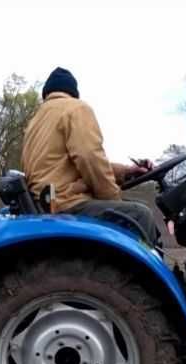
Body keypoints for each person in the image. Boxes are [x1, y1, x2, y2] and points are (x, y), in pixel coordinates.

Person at [21, 67, 159, 241]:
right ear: (73, 92)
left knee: (136, 207)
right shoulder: (75, 108)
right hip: (66, 203)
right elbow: (90, 159)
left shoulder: (35, 121)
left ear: (47, 94)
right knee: (141, 215)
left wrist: (126, 171)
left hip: (48, 202)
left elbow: (64, 165)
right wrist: (113, 198)